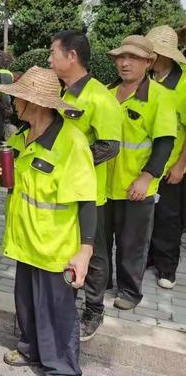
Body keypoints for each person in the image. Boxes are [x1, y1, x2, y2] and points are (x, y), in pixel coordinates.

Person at [0, 66, 97, 376]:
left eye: (18, 99)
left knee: (57, 314)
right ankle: (31, 351)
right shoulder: (22, 137)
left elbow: (87, 199)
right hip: (25, 241)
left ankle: (62, 368)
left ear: (35, 104)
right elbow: (20, 185)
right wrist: (6, 179)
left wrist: (85, 251)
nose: (12, 105)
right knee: (26, 306)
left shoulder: (72, 143)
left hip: (55, 247)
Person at [48, 30, 122, 341]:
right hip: (62, 191)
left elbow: (111, 145)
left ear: (72, 56)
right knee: (70, 249)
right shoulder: (64, 93)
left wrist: (74, 164)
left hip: (91, 194)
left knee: (96, 253)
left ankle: (94, 310)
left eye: (53, 53)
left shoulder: (99, 97)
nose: (49, 59)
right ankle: (68, 302)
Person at [106, 35, 176, 310]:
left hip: (135, 186)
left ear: (149, 62)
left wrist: (147, 177)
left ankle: (130, 292)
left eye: (133, 58)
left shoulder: (160, 97)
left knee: (132, 244)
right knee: (100, 241)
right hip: (104, 184)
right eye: (121, 57)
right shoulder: (107, 93)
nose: (124, 63)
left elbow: (165, 142)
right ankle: (102, 283)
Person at [146, 25, 186, 289]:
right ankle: (149, 256)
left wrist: (181, 164)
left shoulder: (182, 84)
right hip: (143, 164)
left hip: (171, 164)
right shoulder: (145, 80)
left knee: (169, 217)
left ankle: (167, 267)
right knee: (147, 214)